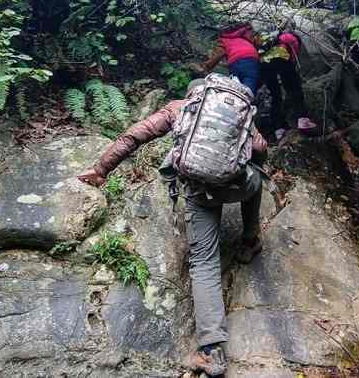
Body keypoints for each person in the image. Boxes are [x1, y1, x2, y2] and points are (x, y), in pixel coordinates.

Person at [78, 76, 269, 377]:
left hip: (199, 192)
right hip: (238, 187)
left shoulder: (180, 108)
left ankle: (211, 352)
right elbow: (259, 147)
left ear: (193, 93)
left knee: (204, 263)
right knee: (255, 180)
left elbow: (134, 136)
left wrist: (101, 169)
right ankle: (250, 239)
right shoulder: (238, 109)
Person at [258, 27, 317, 140]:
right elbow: (293, 58)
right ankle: (302, 119)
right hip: (281, 57)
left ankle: (278, 130)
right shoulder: (292, 38)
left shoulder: (270, 38)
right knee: (294, 88)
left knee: (275, 96)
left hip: (263, 63)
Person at [192, 22, 260, 95]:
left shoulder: (224, 39)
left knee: (235, 85)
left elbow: (218, 54)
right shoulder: (244, 38)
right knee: (249, 82)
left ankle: (238, 100)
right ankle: (249, 97)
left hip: (235, 61)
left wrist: (207, 66)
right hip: (252, 58)